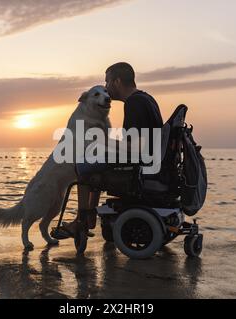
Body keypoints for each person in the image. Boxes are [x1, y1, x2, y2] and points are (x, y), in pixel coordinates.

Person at [58, 62, 163, 238]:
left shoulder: (134, 103)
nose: (106, 87)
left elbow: (133, 146)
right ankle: (89, 215)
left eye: (107, 83)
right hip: (150, 158)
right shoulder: (147, 99)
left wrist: (104, 140)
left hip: (140, 162)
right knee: (94, 162)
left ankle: (81, 221)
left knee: (82, 166)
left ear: (117, 82)